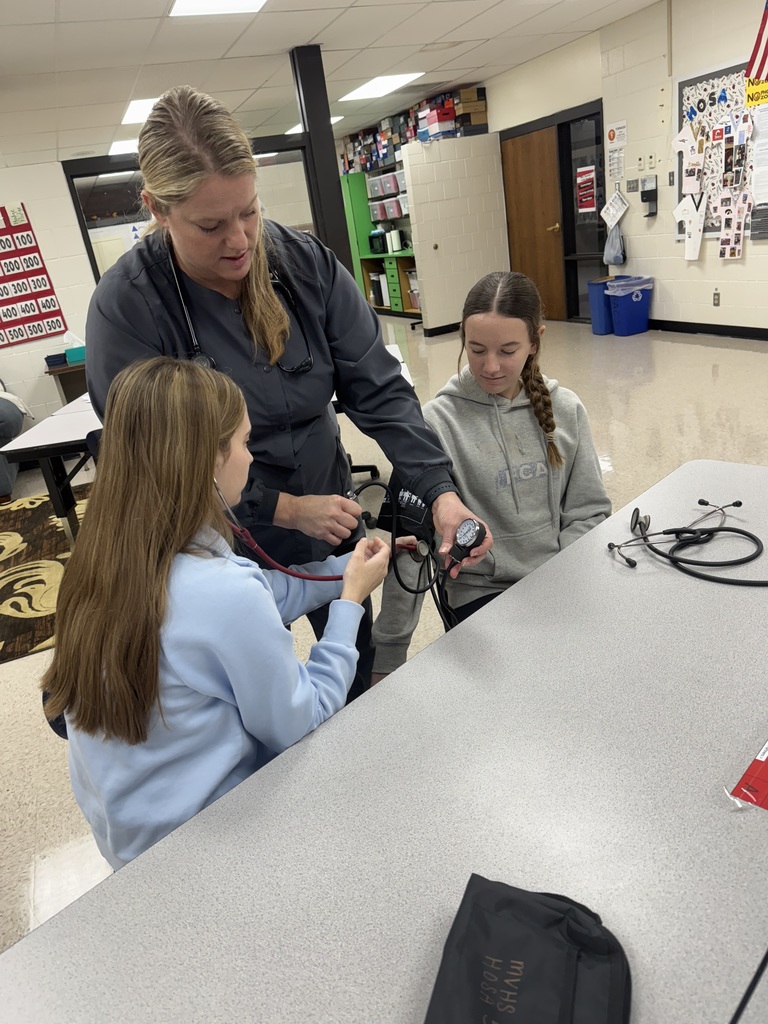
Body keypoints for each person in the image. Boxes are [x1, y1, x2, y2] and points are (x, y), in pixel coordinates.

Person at [85, 85, 491, 702]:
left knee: (351, 652)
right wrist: (282, 508)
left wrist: (439, 491)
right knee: (245, 691)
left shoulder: (302, 265)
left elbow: (378, 386)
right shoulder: (129, 308)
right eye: (211, 224)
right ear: (157, 209)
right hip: (216, 537)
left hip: (329, 510)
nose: (241, 240)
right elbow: (153, 467)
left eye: (249, 211)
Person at [41, 357, 391, 870]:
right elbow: (301, 721)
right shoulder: (222, 591)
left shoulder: (103, 559)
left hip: (132, 846)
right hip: (211, 851)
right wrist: (349, 606)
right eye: (245, 443)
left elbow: (257, 596)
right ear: (208, 458)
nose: (251, 460)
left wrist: (345, 569)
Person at [371, 271, 611, 679]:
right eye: (477, 349)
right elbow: (412, 550)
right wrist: (389, 653)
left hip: (558, 581)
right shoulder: (434, 424)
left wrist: (558, 582)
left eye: (508, 350)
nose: (491, 366)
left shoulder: (566, 409)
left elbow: (589, 512)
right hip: (478, 594)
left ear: (535, 341)